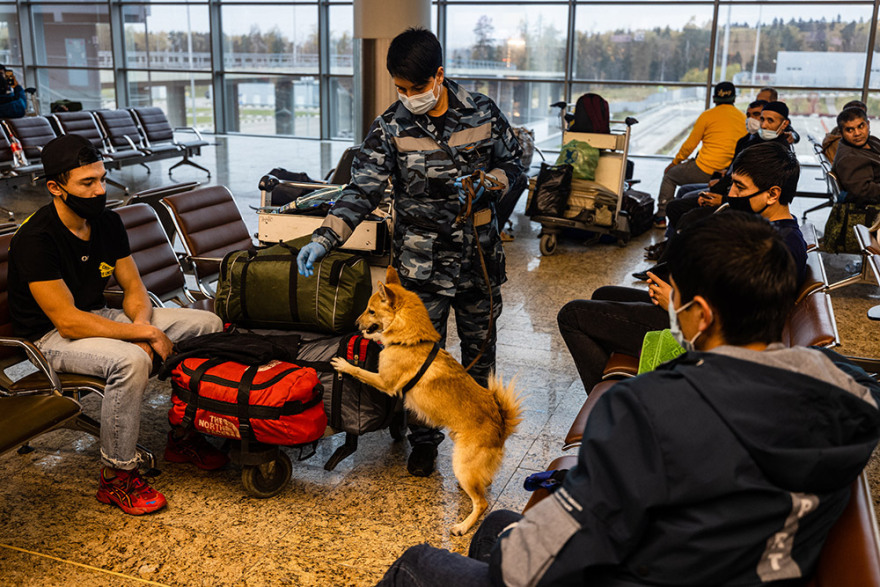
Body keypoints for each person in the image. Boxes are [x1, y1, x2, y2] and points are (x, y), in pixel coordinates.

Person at [376, 210, 880, 587]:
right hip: (735, 567)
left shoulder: (651, 409)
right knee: (500, 526)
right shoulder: (846, 388)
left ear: (699, 314)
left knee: (418, 564)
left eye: (674, 296)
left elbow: (530, 564)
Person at [295, 28, 524, 477]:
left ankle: (474, 433)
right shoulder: (389, 127)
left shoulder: (482, 111)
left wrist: (490, 183)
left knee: (479, 355)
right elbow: (360, 191)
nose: (408, 96)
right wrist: (325, 238)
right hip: (421, 265)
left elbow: (515, 164)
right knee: (418, 359)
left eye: (416, 88)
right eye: (400, 88)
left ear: (439, 75)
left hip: (477, 260)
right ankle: (424, 439)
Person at [7, 134, 226, 516]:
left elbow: (134, 288)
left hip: (97, 315)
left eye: (102, 179)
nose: (100, 190)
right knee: (131, 361)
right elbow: (68, 322)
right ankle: (117, 477)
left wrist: (143, 326)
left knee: (206, 323)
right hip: (49, 338)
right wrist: (143, 336)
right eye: (87, 183)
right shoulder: (35, 239)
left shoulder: (106, 222)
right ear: (55, 188)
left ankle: (184, 434)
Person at [558, 141, 806, 395]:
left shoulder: (778, 248)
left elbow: (737, 321)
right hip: (697, 308)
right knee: (604, 294)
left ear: (773, 194)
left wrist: (675, 304)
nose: (730, 193)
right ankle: (621, 384)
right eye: (732, 183)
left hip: (697, 328)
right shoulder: (772, 230)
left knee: (572, 315)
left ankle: (612, 401)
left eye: (740, 187)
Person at [655, 81, 745, 228]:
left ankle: (661, 217)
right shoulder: (743, 119)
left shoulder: (707, 115)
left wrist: (674, 163)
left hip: (704, 169)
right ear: (734, 99)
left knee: (670, 176)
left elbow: (690, 146)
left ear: (714, 98)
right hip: (725, 175)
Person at [831, 106, 880, 206]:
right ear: (841, 133)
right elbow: (865, 192)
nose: (857, 133)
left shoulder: (871, 140)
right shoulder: (849, 158)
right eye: (850, 130)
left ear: (868, 124)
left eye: (861, 126)